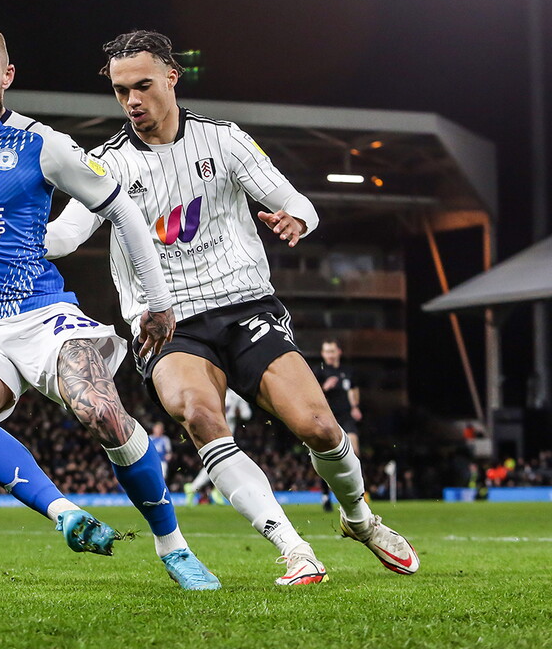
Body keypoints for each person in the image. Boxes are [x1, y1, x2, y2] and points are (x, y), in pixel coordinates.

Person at [45, 29, 419, 582]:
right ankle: (294, 549)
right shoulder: (105, 165)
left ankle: (361, 520)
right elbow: (63, 237)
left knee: (319, 427)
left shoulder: (224, 142)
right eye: (121, 92)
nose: (132, 102)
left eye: (143, 86)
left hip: (246, 307)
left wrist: (297, 220)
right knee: (199, 414)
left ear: (173, 77)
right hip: (169, 325)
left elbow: (298, 203)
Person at [0, 23, 218, 590]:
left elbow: (119, 208)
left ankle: (172, 545)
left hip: (43, 317)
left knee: (99, 409)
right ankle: (65, 514)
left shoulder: (41, 145)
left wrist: (156, 299)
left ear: (7, 76)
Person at [314, 339, 361, 511]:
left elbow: (353, 388)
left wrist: (355, 406)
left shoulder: (347, 371)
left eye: (332, 351)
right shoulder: (319, 371)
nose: (330, 355)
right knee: (327, 457)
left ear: (339, 352)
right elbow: (312, 395)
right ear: (322, 354)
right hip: (328, 419)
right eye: (326, 352)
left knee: (355, 452)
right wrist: (325, 388)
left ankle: (355, 495)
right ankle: (326, 495)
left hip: (346, 416)